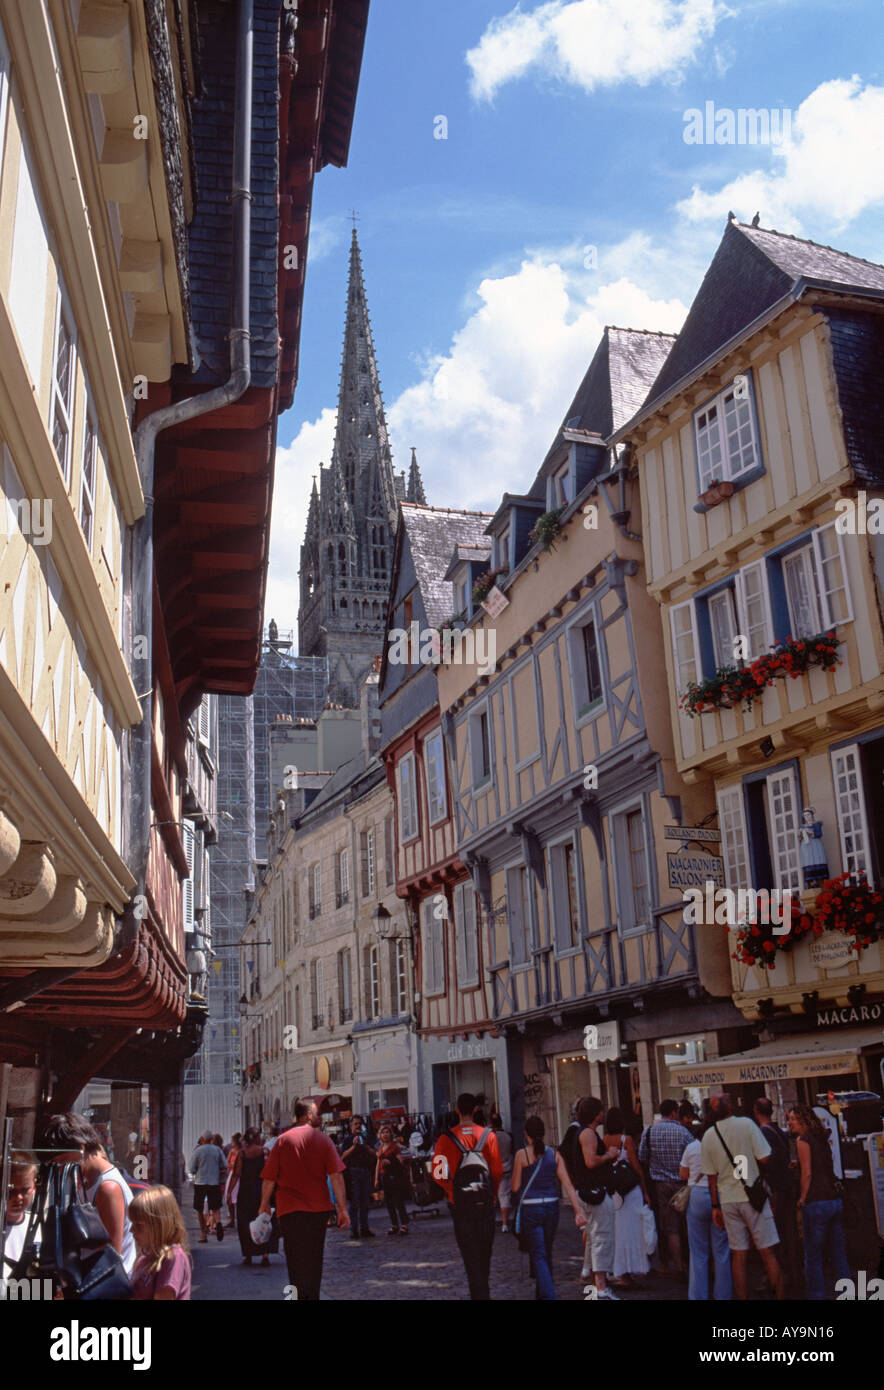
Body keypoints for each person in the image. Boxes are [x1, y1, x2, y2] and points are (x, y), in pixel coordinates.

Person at [259, 1097, 349, 1300]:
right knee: (314, 1259)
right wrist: (342, 1209)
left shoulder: (283, 1141)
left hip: (289, 1210)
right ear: (308, 1115)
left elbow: (269, 1178)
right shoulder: (323, 1140)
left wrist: (264, 1204)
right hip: (317, 1210)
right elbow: (336, 1176)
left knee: (295, 1261)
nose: (318, 1116)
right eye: (316, 1113)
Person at [701, 1091, 784, 1300]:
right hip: (752, 1196)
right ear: (730, 1107)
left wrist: (715, 1207)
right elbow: (765, 1158)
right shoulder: (746, 1125)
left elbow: (711, 1177)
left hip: (728, 1199)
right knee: (768, 1252)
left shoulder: (709, 1135)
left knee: (739, 1255)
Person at [39, 1111, 137, 1275]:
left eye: (62, 1162)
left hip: (104, 1284)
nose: (60, 1168)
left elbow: (111, 1254)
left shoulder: (108, 1188)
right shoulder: (84, 1180)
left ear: (80, 1148)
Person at [432, 1092, 503, 1300]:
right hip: (484, 1203)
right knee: (484, 1255)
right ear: (475, 1110)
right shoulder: (488, 1135)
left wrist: (451, 1190)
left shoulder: (446, 1138)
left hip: (461, 1206)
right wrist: (493, 1194)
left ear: (457, 1111)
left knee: (470, 1257)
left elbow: (437, 1174)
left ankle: (477, 1294)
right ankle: (484, 1293)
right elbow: (497, 1171)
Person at [511, 1114, 586, 1300]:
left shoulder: (522, 1155)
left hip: (531, 1209)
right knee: (547, 1251)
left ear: (526, 1134)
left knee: (538, 1254)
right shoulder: (555, 1155)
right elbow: (567, 1184)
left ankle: (548, 1295)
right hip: (551, 1208)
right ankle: (542, 1294)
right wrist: (578, 1211)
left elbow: (515, 1186)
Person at [787, 1103, 851, 1301]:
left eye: (793, 1119)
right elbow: (820, 1163)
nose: (789, 1123)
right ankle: (846, 1293)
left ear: (803, 1121)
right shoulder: (820, 1137)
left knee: (813, 1256)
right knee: (838, 1252)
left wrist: (802, 1198)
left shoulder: (802, 1140)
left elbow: (807, 1173)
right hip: (834, 1198)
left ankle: (816, 1295)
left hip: (816, 1201)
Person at [571, 1096, 621, 1299]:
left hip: (588, 1191)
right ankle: (601, 1286)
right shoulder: (588, 1133)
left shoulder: (581, 1132)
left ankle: (592, 1276)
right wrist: (610, 1155)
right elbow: (591, 1161)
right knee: (602, 1236)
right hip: (595, 1193)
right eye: (600, 1110)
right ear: (595, 1114)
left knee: (593, 1236)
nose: (603, 1114)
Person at [680, 1118, 732, 1301]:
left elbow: (683, 1174)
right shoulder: (721, 1146)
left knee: (697, 1251)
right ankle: (723, 1294)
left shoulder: (691, 1147)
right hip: (717, 1194)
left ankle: (697, 1295)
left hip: (696, 1195)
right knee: (721, 1248)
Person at [638, 1098, 692, 1276]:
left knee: (671, 1228)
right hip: (682, 1184)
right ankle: (688, 1261)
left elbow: (643, 1157)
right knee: (687, 1223)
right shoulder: (683, 1132)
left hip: (660, 1184)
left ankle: (677, 1265)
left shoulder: (650, 1131)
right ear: (674, 1112)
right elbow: (693, 1156)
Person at [753, 1097, 799, 1293]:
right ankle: (793, 1275)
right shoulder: (779, 1130)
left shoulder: (762, 1133)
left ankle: (776, 1279)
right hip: (787, 1186)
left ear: (756, 1111)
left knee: (775, 1236)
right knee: (789, 1235)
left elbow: (765, 1162)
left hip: (775, 1190)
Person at [603, 1107, 651, 1288]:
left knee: (618, 1231)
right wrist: (645, 1191)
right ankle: (632, 1268)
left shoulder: (604, 1141)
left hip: (616, 1192)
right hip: (630, 1191)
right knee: (634, 1230)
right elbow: (637, 1167)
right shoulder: (627, 1140)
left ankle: (621, 1270)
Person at [129, 1185, 192, 1300]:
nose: (132, 1230)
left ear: (159, 1225)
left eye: (139, 1225)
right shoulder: (145, 1257)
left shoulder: (173, 1257)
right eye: (132, 1224)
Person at [235, 1127, 278, 1266]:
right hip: (262, 1189)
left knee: (245, 1222)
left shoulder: (241, 1154)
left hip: (246, 1191)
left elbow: (236, 1174)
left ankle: (248, 1254)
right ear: (257, 1138)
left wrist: (229, 1193)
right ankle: (265, 1253)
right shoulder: (265, 1151)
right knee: (265, 1220)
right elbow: (271, 1171)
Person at [1, 1151, 39, 1278]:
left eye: (25, 1189)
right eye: (10, 1190)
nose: (18, 1197)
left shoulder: (40, 1229)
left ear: (34, 1187)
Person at [340, 1115, 377, 1241]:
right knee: (354, 1202)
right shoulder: (347, 1139)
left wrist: (365, 1147)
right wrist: (353, 1147)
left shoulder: (366, 1138)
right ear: (351, 1126)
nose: (358, 1126)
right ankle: (354, 1229)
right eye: (355, 1124)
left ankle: (365, 1228)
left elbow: (375, 1153)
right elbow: (342, 1156)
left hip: (365, 1171)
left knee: (365, 1202)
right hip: (353, 1173)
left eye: (359, 1124)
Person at [188, 1131, 227, 1243]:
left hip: (200, 1182)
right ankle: (218, 1222)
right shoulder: (217, 1150)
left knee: (200, 1209)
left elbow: (191, 1168)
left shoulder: (198, 1151)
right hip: (214, 1182)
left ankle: (203, 1234)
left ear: (203, 1139)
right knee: (215, 1207)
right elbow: (224, 1165)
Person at [375, 1124, 410, 1235]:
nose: (385, 1134)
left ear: (391, 1134)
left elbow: (400, 1161)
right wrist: (376, 1179)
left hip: (394, 1176)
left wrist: (391, 1162)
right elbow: (378, 1164)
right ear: (380, 1135)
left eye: (387, 1132)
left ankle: (404, 1225)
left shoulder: (395, 1147)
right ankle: (394, 1224)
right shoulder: (380, 1148)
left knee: (398, 1201)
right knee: (389, 1202)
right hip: (384, 1177)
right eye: (383, 1132)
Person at [491, 1113, 514, 1233]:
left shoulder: (491, 1137)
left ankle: (491, 1221)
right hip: (507, 1168)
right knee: (505, 1196)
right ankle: (505, 1223)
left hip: (494, 1169)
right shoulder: (508, 1136)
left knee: (493, 1196)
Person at [224, 1132, 242, 1231]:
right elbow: (228, 1163)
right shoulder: (232, 1151)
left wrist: (233, 1165)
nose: (231, 1143)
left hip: (239, 1176)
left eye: (232, 1141)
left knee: (238, 1198)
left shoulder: (241, 1152)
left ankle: (238, 1219)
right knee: (229, 1197)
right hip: (232, 1174)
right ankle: (231, 1219)